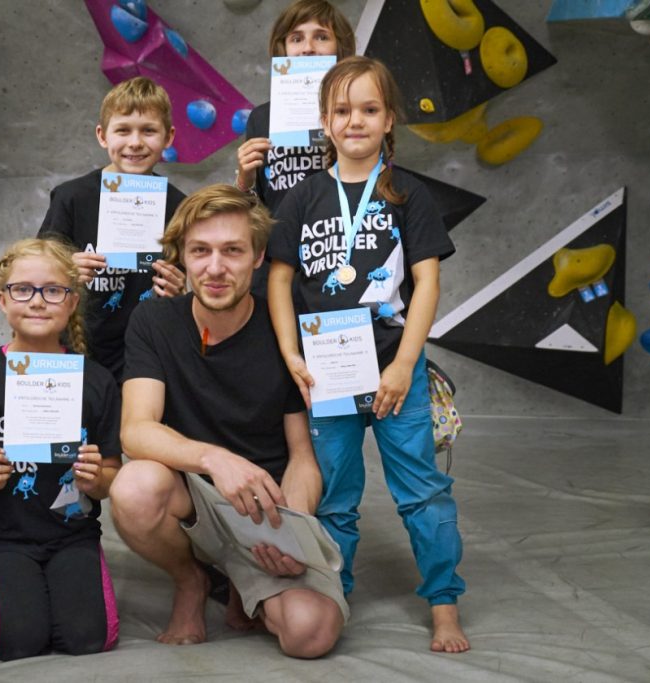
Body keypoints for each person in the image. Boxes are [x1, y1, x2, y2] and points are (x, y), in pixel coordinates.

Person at [266, 55, 470, 653]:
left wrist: (406, 363)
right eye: (342, 110)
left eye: (369, 109)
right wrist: (289, 353)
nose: (355, 120)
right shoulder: (302, 197)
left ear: (388, 120)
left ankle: (444, 604)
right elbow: (280, 280)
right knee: (335, 497)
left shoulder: (409, 193)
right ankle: (336, 594)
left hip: (393, 374)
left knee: (424, 494)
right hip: (324, 376)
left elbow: (427, 283)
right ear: (324, 121)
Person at [110, 184, 347, 659]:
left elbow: (302, 455)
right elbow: (136, 429)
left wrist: (289, 535)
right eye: (200, 251)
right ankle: (192, 582)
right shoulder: (153, 320)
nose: (215, 268)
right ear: (181, 256)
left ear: (258, 257)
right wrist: (214, 459)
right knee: (134, 486)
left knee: (310, 634)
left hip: (267, 503)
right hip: (195, 496)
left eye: (232, 251)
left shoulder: (286, 329)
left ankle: (247, 579)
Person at [0, 238, 122, 661]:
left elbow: (111, 478)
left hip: (72, 536)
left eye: (53, 290)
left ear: (72, 302)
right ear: (2, 299)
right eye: (23, 289)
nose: (37, 301)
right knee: (14, 641)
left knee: (90, 638)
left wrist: (97, 479)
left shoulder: (98, 382)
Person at [40, 76, 187, 382]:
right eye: (123, 130)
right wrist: (64, 273)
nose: (135, 142)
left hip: (147, 353)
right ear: (102, 136)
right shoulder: (71, 198)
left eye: (149, 131)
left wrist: (179, 290)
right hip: (75, 350)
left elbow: (188, 287)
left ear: (169, 137)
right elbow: (34, 274)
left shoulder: (180, 207)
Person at [235, 0, 356, 295]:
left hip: (342, 257)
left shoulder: (358, 114)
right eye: (296, 38)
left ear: (341, 49)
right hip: (279, 263)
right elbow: (255, 209)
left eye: (322, 37)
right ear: (283, 49)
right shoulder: (262, 118)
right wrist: (244, 180)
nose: (308, 48)